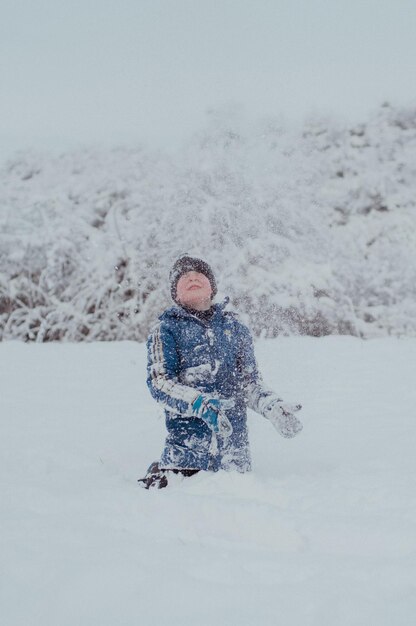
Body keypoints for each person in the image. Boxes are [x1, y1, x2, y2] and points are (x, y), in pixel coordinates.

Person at [138, 254, 303, 489]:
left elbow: (248, 383)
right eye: (184, 276)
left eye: (199, 274)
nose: (192, 276)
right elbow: (160, 381)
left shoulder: (235, 329)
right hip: (186, 459)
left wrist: (271, 405)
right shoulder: (165, 329)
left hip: (234, 461)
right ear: (176, 294)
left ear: (212, 288)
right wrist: (198, 403)